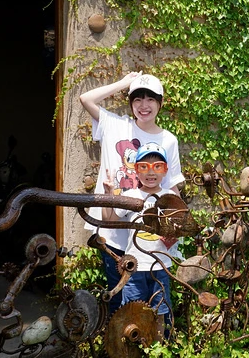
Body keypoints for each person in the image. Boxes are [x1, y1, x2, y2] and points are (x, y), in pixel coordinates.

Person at [80, 72, 184, 313]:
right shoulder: (115, 125)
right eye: (137, 98)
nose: (143, 105)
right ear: (130, 103)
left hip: (147, 237)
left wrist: (178, 225)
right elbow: (86, 99)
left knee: (155, 301)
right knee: (119, 301)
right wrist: (124, 83)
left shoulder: (168, 140)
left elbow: (172, 187)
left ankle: (156, 336)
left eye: (150, 99)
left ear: (160, 103)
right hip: (113, 231)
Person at [113, 142, 177, 338]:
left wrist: (173, 235)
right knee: (132, 312)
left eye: (157, 166)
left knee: (160, 311)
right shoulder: (130, 196)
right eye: (144, 167)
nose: (151, 172)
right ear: (136, 170)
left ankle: (159, 346)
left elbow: (180, 226)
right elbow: (111, 219)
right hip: (135, 267)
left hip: (161, 265)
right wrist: (108, 194)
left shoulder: (170, 196)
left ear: (165, 170)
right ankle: (135, 348)